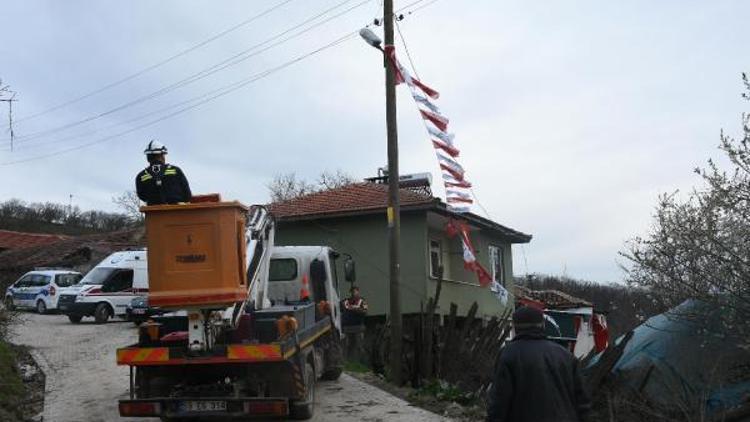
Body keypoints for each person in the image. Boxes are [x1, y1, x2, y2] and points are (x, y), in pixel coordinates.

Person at [486, 306, 591, 422]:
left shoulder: (509, 354)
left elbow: (499, 402)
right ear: (543, 325)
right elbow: (582, 401)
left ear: (515, 328)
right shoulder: (565, 355)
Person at [135, 140, 192, 206]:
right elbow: (187, 195)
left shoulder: (141, 176)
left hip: (153, 214)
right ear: (162, 156)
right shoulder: (175, 170)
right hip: (177, 212)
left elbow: (143, 197)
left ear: (148, 158)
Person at [341, 286, 368, 360]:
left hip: (358, 327)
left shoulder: (362, 301)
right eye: (352, 292)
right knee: (347, 346)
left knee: (360, 346)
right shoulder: (346, 301)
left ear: (358, 291)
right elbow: (341, 306)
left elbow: (365, 311)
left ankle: (362, 361)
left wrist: (355, 309)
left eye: (355, 291)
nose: (353, 293)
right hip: (348, 327)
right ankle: (348, 362)